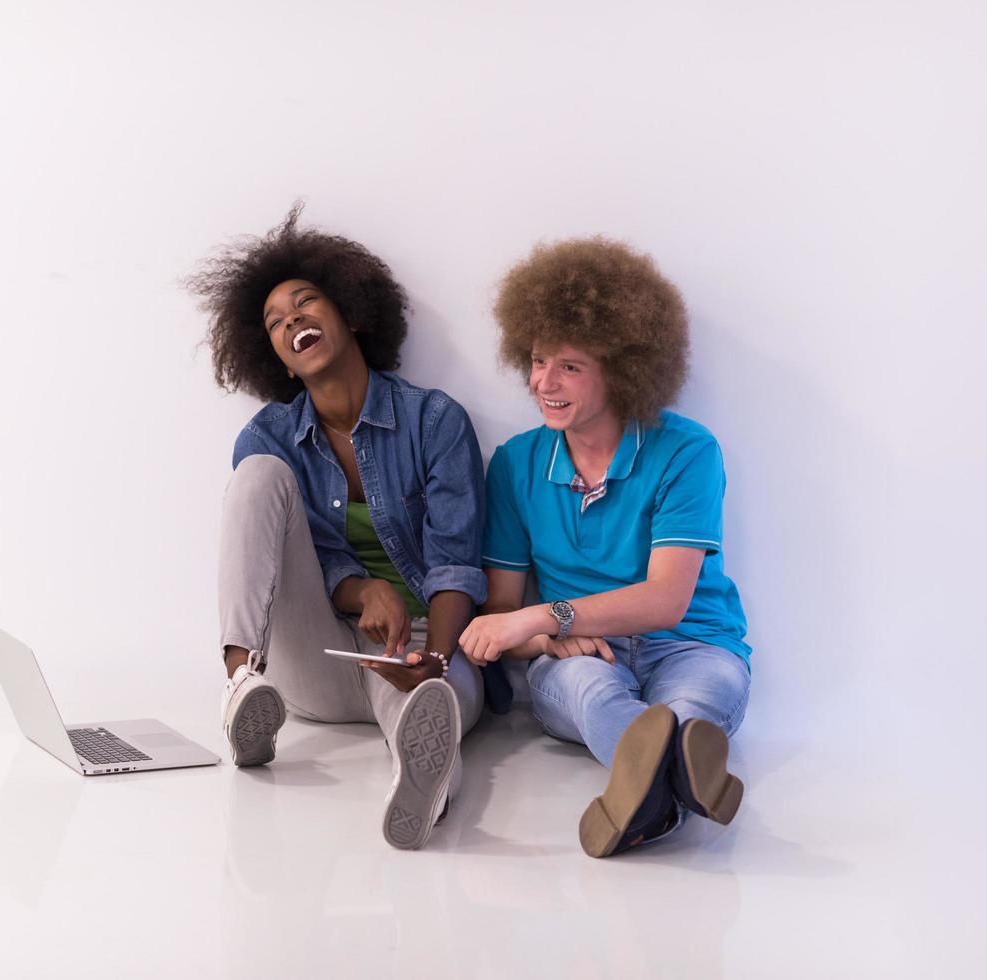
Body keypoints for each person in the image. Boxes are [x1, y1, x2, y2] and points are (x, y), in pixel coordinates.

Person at [190, 205, 487, 850]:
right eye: (275, 322)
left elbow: (457, 560)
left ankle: (424, 784)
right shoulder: (268, 435)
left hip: (416, 646)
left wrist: (432, 657)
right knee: (258, 475)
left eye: (305, 302)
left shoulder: (434, 421)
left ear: (351, 313)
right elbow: (299, 558)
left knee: (425, 713)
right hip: (315, 655)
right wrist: (358, 589)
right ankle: (241, 681)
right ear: (276, 358)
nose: (292, 318)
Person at [458, 236, 752, 858]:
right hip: (581, 657)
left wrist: (545, 614)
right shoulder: (515, 464)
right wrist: (545, 638)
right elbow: (501, 614)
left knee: (698, 699)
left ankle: (651, 793)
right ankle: (677, 780)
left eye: (570, 365)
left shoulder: (687, 450)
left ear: (620, 369)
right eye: (538, 361)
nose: (545, 382)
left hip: (693, 642)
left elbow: (667, 601)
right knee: (592, 693)